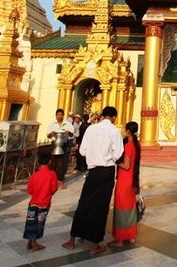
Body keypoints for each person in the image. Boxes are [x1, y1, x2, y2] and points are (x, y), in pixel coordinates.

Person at [62, 106, 124, 254]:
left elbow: (82, 151)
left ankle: (72, 240)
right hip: (106, 171)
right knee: (101, 207)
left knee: (84, 203)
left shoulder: (91, 129)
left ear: (102, 115)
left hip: (93, 171)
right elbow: (118, 154)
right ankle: (95, 243)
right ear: (114, 117)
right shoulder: (115, 131)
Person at [108, 121, 141, 247]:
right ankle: (131, 235)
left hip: (124, 180)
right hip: (132, 180)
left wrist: (115, 160)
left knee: (121, 208)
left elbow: (126, 166)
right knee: (130, 208)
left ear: (128, 131)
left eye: (124, 128)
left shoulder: (128, 146)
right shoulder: (137, 145)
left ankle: (120, 239)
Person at [23, 150, 58, 251]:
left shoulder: (35, 175)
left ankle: (30, 240)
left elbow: (29, 189)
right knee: (39, 223)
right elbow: (53, 189)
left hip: (33, 202)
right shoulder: (52, 174)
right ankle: (34, 243)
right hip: (44, 203)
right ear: (49, 161)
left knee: (31, 221)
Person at [46, 108, 75, 186]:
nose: (59, 116)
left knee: (62, 163)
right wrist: (51, 133)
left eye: (60, 115)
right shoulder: (52, 124)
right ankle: (52, 179)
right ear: (56, 116)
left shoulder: (68, 124)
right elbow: (48, 135)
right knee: (53, 162)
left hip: (64, 144)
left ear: (63, 115)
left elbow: (72, 135)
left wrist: (68, 133)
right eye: (57, 115)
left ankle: (61, 179)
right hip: (55, 144)